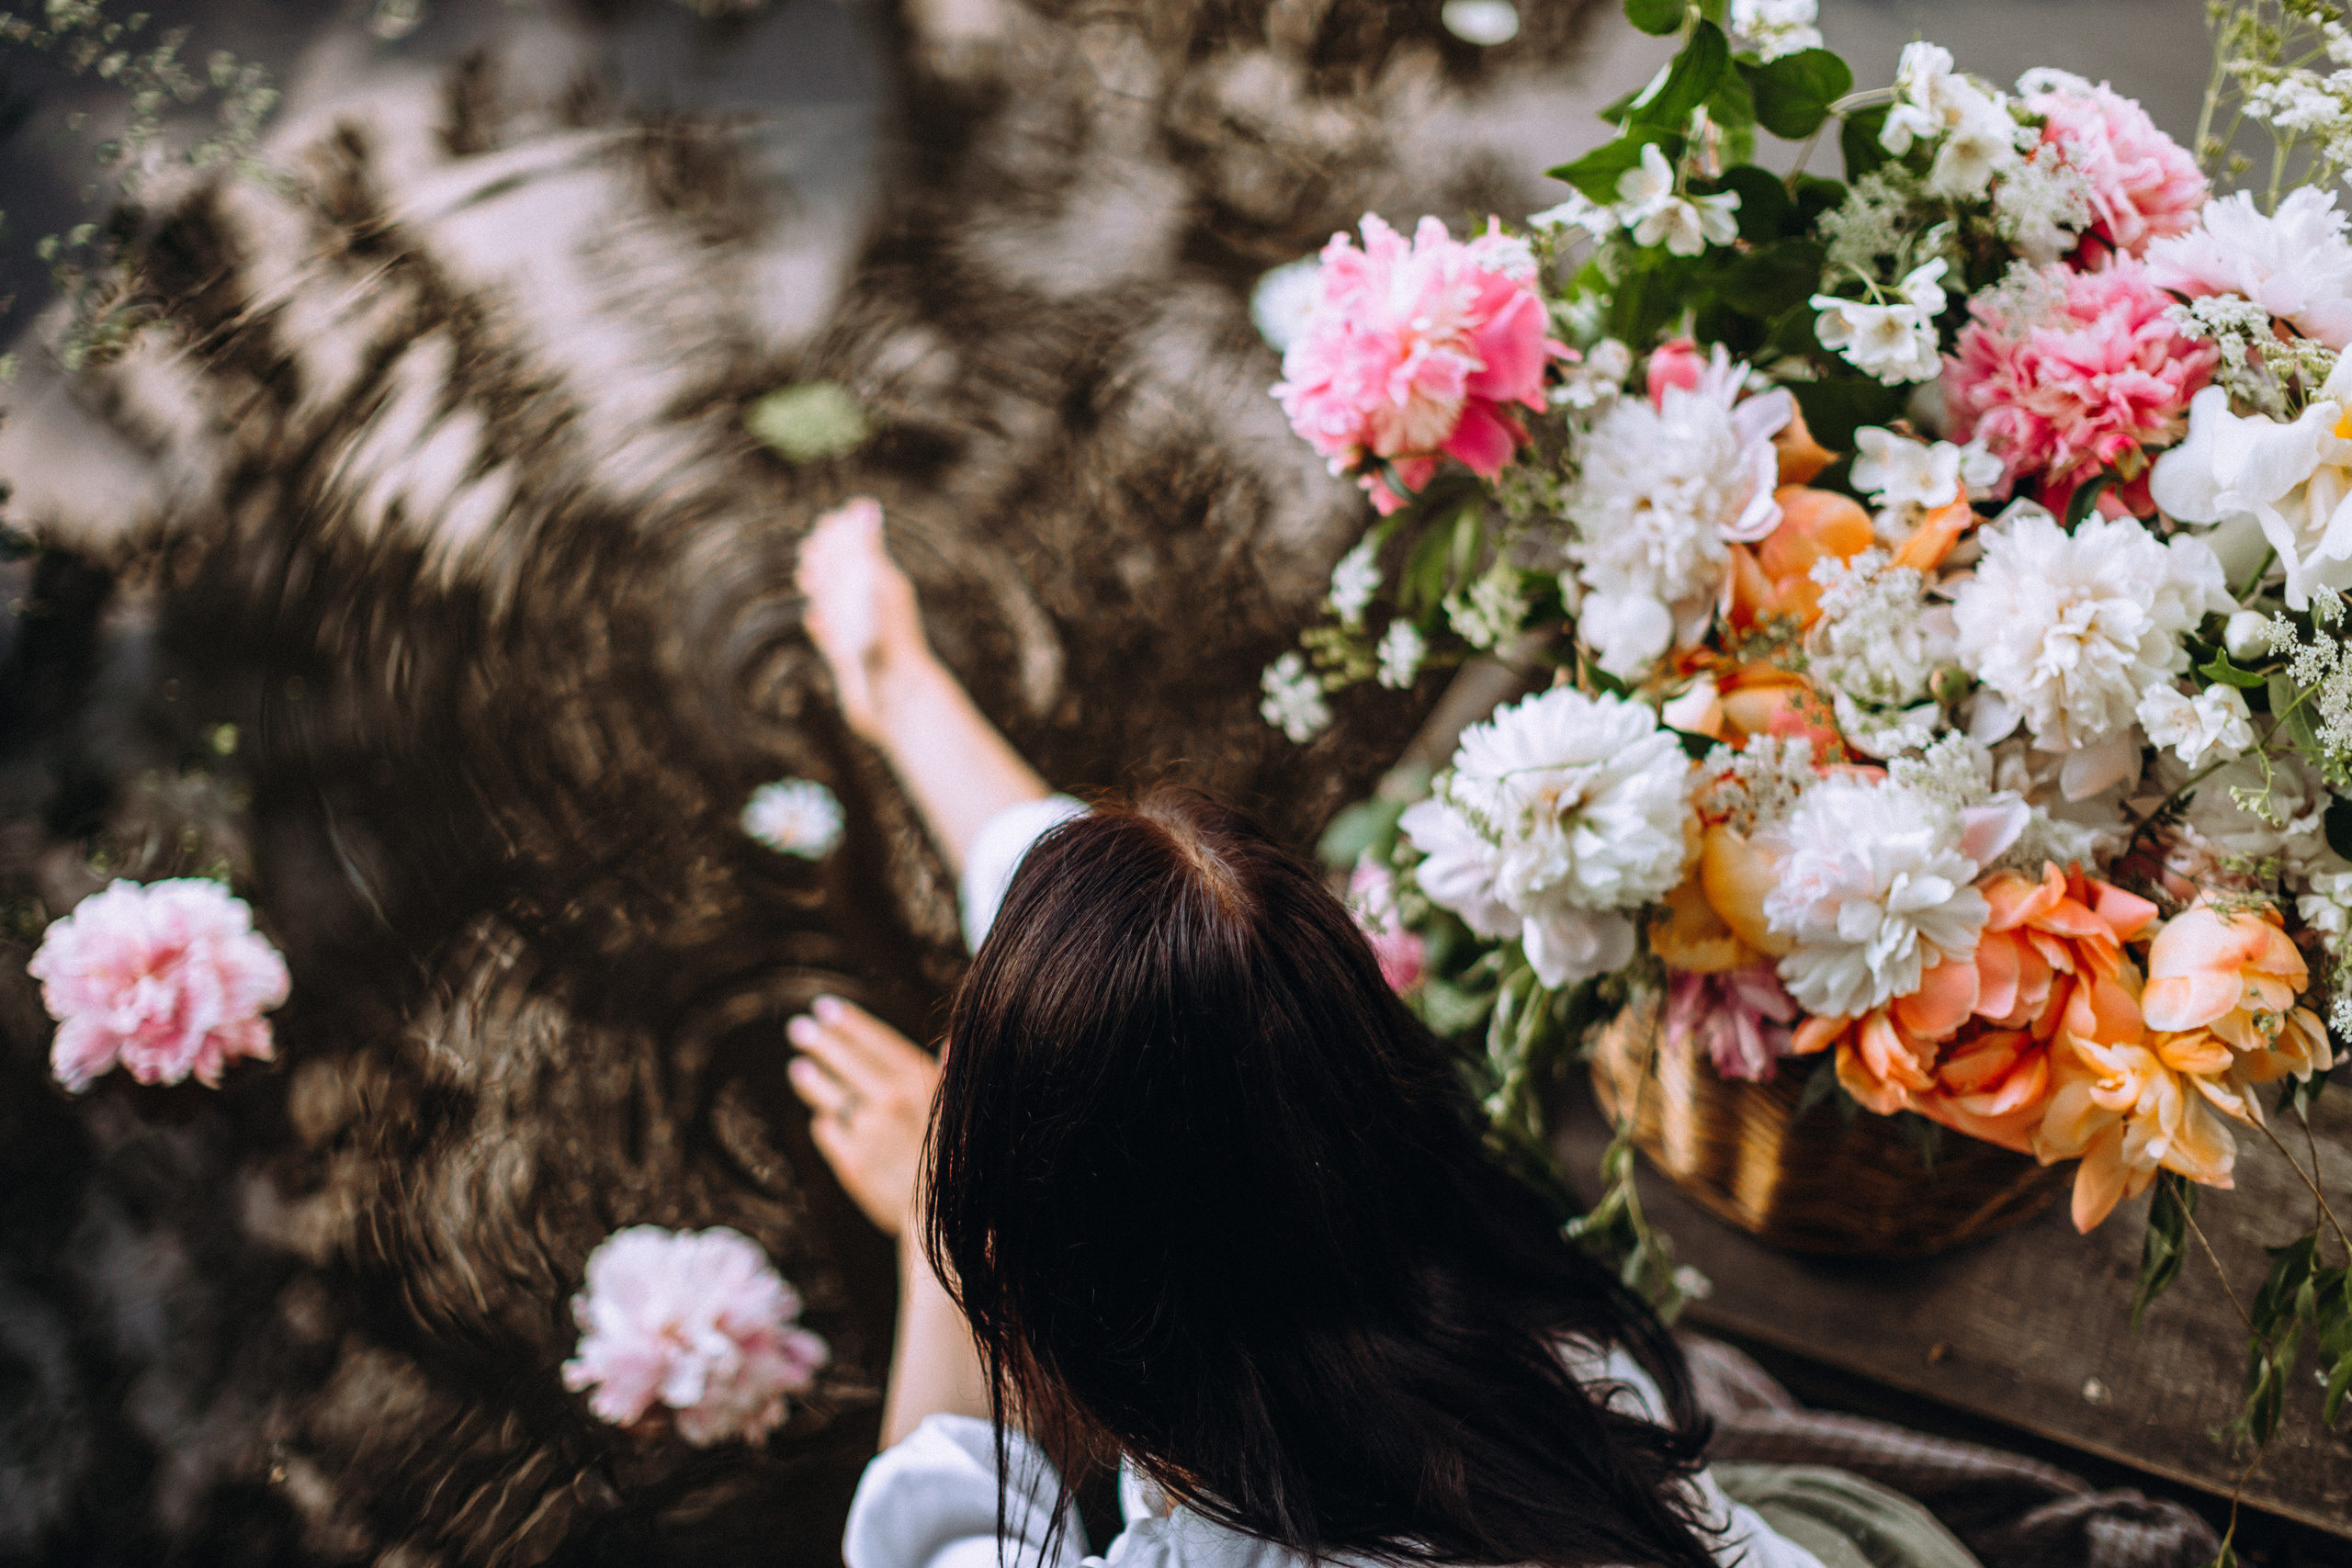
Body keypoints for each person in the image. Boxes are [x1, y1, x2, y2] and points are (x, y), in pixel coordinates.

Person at [784, 498, 1980, 1568]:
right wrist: (903, 692)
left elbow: (938, 1551)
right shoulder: (1553, 1378)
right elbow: (1190, 983)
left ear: (1053, 1296)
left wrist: (937, 1244)